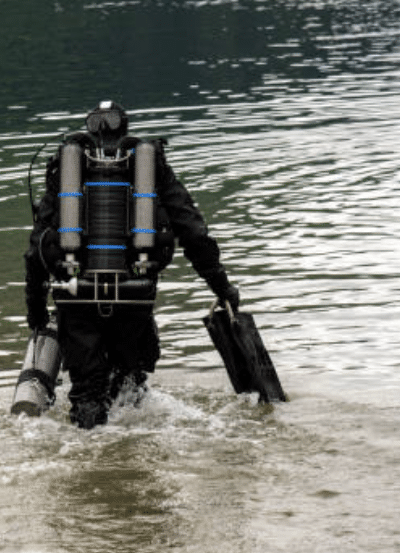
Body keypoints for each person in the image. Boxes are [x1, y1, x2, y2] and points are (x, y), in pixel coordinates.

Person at [24, 101, 239, 428]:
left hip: (76, 296)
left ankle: (88, 447)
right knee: (130, 390)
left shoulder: (66, 172)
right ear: (125, 128)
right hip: (134, 297)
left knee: (87, 395)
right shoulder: (150, 168)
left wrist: (36, 312)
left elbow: (37, 249)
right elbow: (194, 233)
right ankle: (128, 449)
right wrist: (222, 289)